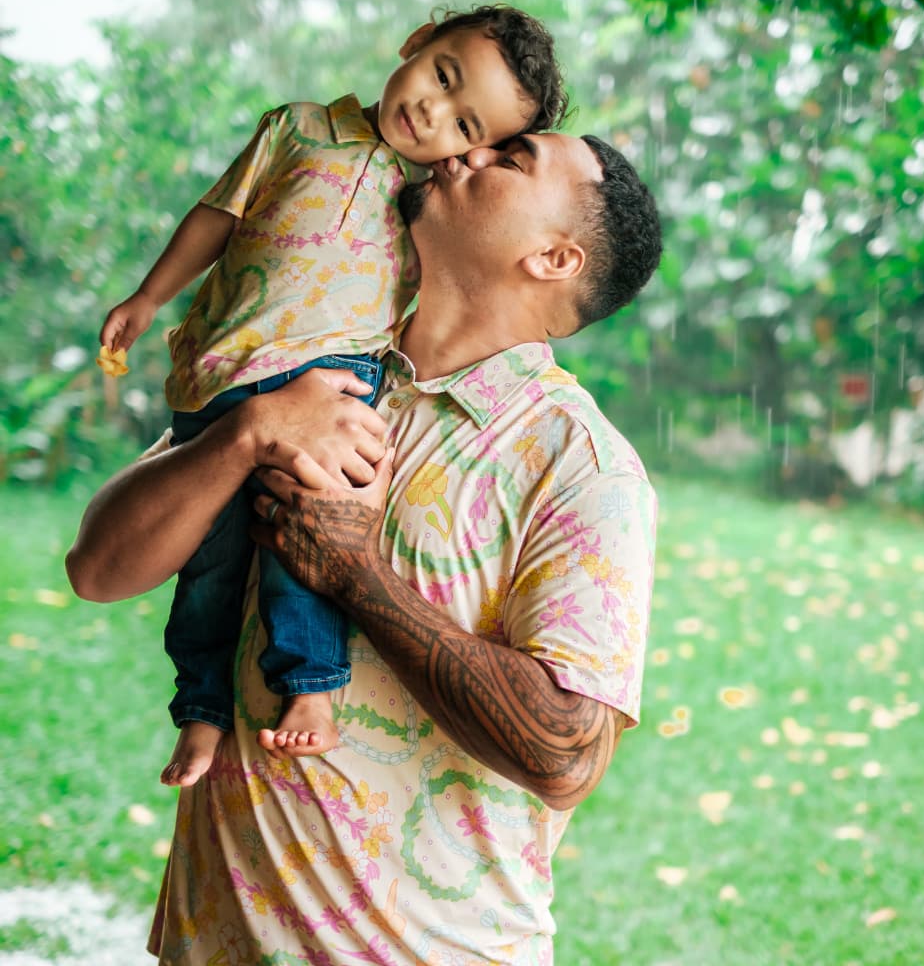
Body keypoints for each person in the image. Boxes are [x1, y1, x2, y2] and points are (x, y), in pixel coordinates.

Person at [67, 128, 662, 965]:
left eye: (510, 160)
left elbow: (563, 752)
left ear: (554, 258)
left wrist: (355, 574)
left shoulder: (579, 465)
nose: (464, 151)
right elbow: (98, 569)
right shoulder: (300, 372)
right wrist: (244, 432)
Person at [97, 5, 569, 787]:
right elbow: (218, 216)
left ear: (472, 153)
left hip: (330, 384)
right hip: (222, 372)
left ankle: (311, 687)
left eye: (464, 125)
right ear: (415, 43)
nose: (432, 112)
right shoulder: (298, 128)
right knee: (208, 565)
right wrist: (150, 296)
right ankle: (201, 708)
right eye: (442, 75)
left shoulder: (429, 199)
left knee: (301, 541)